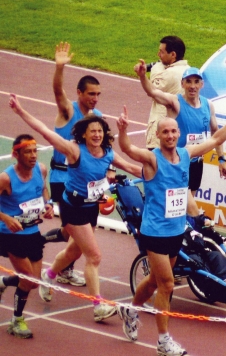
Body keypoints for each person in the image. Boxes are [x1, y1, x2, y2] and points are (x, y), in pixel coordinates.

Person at [116, 100, 226, 356]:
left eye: (174, 131)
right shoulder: (152, 159)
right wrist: (122, 131)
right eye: (165, 131)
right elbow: (128, 149)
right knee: (166, 284)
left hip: (176, 231)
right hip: (154, 232)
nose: (170, 135)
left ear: (179, 133)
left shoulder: (186, 154)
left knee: (155, 280)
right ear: (158, 135)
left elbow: (217, 137)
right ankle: (164, 341)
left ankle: (130, 309)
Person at [8, 94, 142, 322]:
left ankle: (49, 275)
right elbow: (44, 131)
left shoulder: (108, 152)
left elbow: (132, 167)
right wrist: (21, 111)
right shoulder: (74, 150)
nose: (97, 135)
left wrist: (164, 175)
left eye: (100, 131)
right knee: (94, 256)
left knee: (74, 251)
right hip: (73, 208)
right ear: (84, 134)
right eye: (92, 132)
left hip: (91, 208)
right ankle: (98, 306)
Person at [44, 41, 108, 288]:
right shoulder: (68, 111)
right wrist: (59, 67)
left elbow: (102, 149)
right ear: (79, 93)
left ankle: (47, 244)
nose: (95, 98)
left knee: (75, 232)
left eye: (98, 94)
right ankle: (62, 269)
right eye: (91, 93)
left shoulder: (97, 118)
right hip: (62, 177)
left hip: (87, 180)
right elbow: (58, 91)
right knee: (77, 233)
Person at [135, 60, 226, 217]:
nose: (192, 86)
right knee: (179, 206)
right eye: (189, 82)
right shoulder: (175, 102)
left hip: (196, 163)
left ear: (202, 84)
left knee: (187, 202)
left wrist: (221, 159)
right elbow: (153, 92)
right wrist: (143, 76)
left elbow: (216, 133)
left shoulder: (208, 106)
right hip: (176, 163)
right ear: (182, 84)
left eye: (196, 82)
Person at [0, 134, 54, 338]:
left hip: (32, 231)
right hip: (11, 235)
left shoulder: (41, 169)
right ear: (16, 154)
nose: (33, 156)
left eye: (35, 151)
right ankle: (17, 321)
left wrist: (49, 205)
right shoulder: (6, 178)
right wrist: (5, 218)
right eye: (28, 152)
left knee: (33, 282)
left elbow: (44, 191)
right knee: (29, 279)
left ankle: (3, 282)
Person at [144, 35, 190, 150]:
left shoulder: (171, 73)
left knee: (154, 166)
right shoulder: (188, 70)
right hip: (178, 131)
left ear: (173, 55)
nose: (158, 55)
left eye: (162, 52)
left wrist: (156, 66)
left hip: (162, 134)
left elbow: (152, 89)